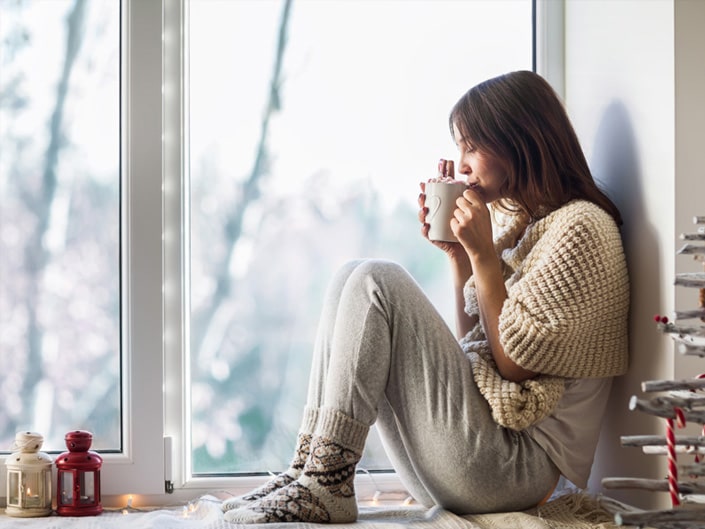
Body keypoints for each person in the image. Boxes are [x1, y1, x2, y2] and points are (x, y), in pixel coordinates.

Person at [221, 70, 629, 524]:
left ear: (521, 140)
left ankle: (326, 483)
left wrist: (484, 257)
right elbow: (481, 347)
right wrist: (460, 257)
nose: (464, 163)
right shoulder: (527, 228)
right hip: (482, 465)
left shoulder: (582, 229)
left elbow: (515, 366)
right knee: (348, 277)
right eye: (460, 149)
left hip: (522, 470)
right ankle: (311, 469)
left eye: (472, 146)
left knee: (379, 279)